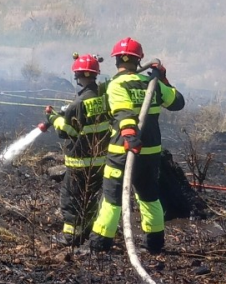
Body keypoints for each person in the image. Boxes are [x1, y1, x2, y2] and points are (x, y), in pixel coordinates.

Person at [88, 38, 185, 256]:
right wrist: (164, 79)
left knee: (112, 198)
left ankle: (99, 244)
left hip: (123, 152)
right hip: (150, 153)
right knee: (149, 196)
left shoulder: (118, 84)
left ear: (116, 60)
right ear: (139, 59)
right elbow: (178, 102)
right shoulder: (154, 84)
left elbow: (124, 113)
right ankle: (154, 243)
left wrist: (130, 136)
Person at [45, 53, 110, 244]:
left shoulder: (77, 104)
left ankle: (71, 237)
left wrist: (53, 118)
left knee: (71, 199)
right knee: (90, 198)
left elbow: (67, 132)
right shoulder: (104, 97)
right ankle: (86, 231)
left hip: (80, 162)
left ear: (78, 74)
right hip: (100, 161)